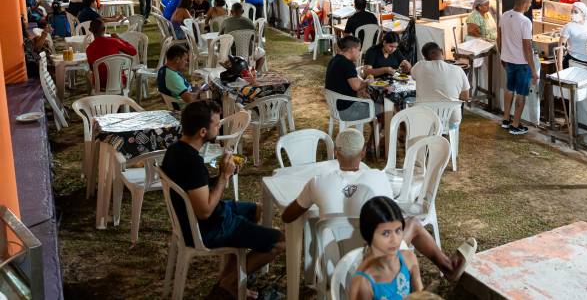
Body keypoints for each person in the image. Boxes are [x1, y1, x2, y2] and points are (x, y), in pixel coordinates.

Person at [281, 130, 475, 285]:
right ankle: (448, 267)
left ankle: (448, 267)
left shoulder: (317, 183)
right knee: (412, 224)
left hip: (332, 264)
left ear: (335, 153)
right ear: (363, 152)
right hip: (376, 261)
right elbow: (394, 222)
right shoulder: (377, 177)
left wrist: (310, 200)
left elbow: (287, 217)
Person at [161, 100, 284, 299]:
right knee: (279, 242)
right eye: (216, 125)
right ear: (202, 131)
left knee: (257, 210)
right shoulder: (193, 164)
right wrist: (224, 177)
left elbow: (194, 188)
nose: (219, 127)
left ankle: (231, 276)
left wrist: (221, 174)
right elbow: (205, 211)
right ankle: (228, 283)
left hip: (195, 219)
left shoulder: (175, 150)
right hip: (207, 229)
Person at [350, 196, 423, 299]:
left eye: (398, 230)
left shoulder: (408, 259)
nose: (395, 240)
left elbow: (420, 296)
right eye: (386, 233)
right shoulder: (365, 283)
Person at [497, 0, 538, 135]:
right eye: (530, 3)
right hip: (522, 63)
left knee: (509, 89)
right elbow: (527, 48)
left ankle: (506, 119)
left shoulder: (505, 15)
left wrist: (502, 56)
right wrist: (533, 70)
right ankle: (515, 125)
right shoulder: (525, 22)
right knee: (521, 93)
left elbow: (499, 39)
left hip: (508, 60)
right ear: (525, 2)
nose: (530, 6)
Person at [411, 42, 470, 126]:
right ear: (442, 51)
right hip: (451, 120)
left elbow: (413, 76)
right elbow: (465, 97)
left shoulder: (420, 66)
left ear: (425, 58)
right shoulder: (459, 70)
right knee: (450, 126)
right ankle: (447, 137)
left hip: (425, 119)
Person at [325, 36, 374, 121]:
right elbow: (356, 86)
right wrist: (368, 81)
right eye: (359, 49)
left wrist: (360, 71)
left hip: (336, 107)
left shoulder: (335, 59)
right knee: (381, 108)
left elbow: (348, 77)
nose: (360, 52)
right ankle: (378, 133)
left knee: (367, 99)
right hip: (347, 110)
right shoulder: (347, 64)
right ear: (352, 49)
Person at [86, 19, 137, 89]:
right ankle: (125, 96)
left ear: (90, 30)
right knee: (130, 73)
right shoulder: (114, 41)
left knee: (89, 74)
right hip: (118, 82)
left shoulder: (89, 49)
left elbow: (92, 68)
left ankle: (94, 95)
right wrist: (118, 38)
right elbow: (133, 51)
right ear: (104, 29)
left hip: (100, 84)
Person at [157, 44, 205, 108]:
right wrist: (200, 91)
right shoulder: (172, 77)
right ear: (177, 60)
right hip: (186, 108)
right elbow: (189, 99)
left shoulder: (163, 69)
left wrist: (197, 88)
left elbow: (179, 87)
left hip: (185, 98)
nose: (186, 62)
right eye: (185, 59)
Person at [220, 3, 265, 69]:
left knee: (220, 57)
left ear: (231, 12)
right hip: (248, 52)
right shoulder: (249, 22)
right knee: (262, 55)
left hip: (231, 53)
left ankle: (231, 71)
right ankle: (256, 72)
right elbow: (256, 39)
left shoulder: (225, 22)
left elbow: (220, 38)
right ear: (243, 12)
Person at [559, 2, 587, 69]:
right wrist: (560, 68)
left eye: (575, 12)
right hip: (572, 60)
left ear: (583, 13)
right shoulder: (568, 26)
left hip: (586, 61)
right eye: (572, 12)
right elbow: (560, 48)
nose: (573, 14)